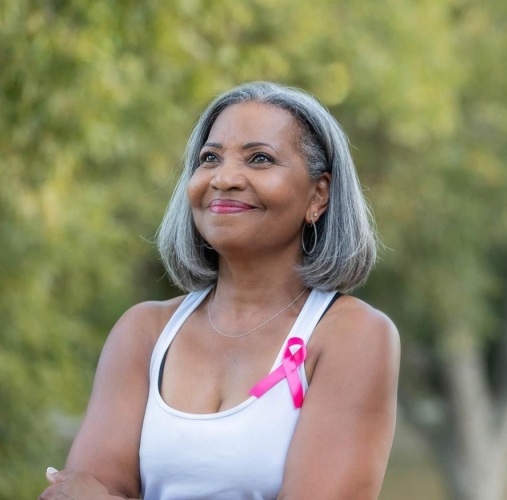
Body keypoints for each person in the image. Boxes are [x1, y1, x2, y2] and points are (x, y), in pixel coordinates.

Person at [40, 81, 400, 499]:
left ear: (317, 195)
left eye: (260, 159)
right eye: (209, 158)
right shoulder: (145, 332)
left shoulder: (352, 336)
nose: (224, 178)